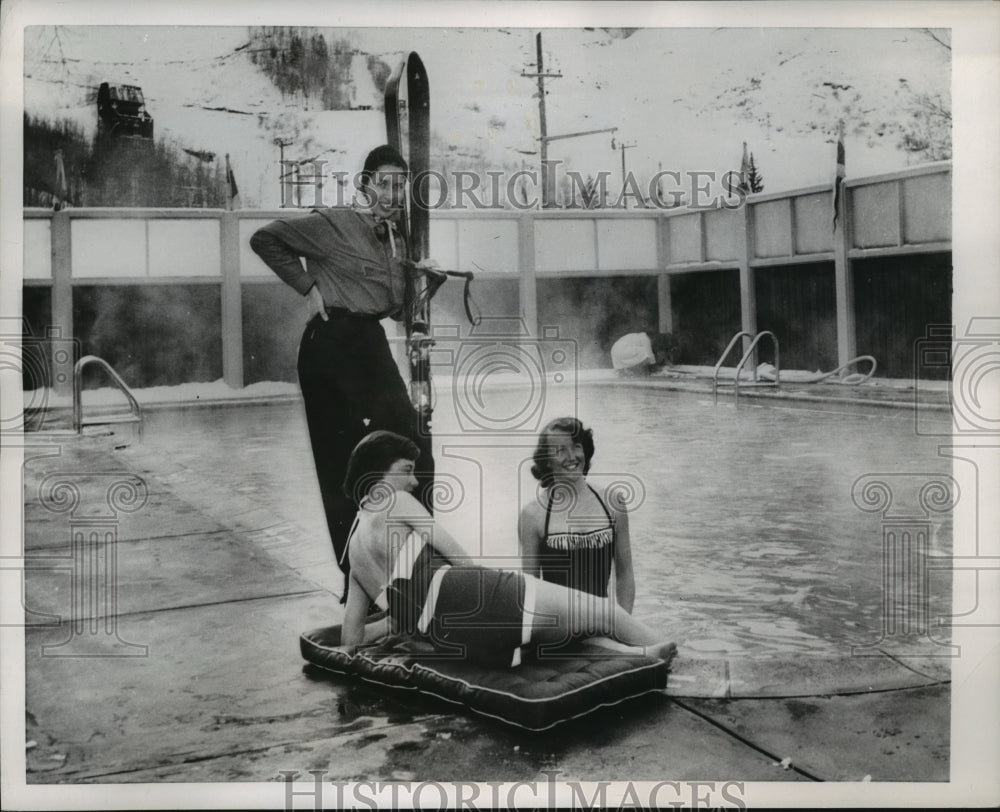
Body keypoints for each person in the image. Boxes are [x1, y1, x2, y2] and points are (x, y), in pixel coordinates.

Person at [249, 145, 437, 603]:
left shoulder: (394, 239)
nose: (394, 194)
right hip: (331, 345)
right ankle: (357, 581)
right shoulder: (333, 222)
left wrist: (421, 290)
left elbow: (390, 308)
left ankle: (410, 568)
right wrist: (307, 285)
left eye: (401, 186)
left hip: (367, 344)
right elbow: (265, 238)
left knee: (412, 449)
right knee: (346, 464)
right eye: (386, 184)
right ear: (365, 185)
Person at [340, 430, 676, 669]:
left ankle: (641, 658)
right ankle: (673, 658)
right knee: (607, 613)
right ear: (377, 472)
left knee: (579, 631)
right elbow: (459, 558)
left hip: (452, 638)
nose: (414, 481)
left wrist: (402, 629)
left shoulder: (354, 553)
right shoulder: (397, 500)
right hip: (476, 599)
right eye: (406, 470)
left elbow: (351, 641)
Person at [519, 417, 636, 612]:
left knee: (664, 644)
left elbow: (625, 575)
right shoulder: (532, 515)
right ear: (547, 460)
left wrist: (623, 626)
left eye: (576, 446)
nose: (571, 456)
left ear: (586, 450)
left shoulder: (613, 503)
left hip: (601, 626)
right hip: (555, 632)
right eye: (560, 450)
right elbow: (530, 590)